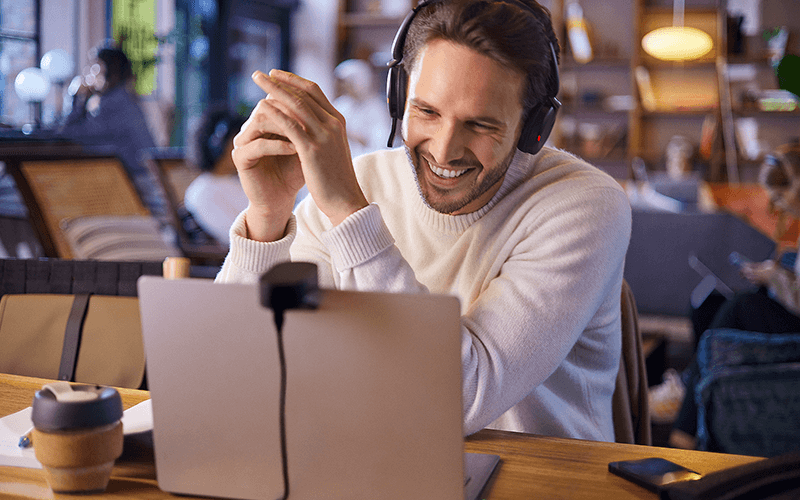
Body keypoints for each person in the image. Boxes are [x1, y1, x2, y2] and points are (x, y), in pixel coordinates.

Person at [217, 0, 631, 440]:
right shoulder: (362, 181)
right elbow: (239, 367)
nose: (444, 149)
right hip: (377, 463)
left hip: (538, 479)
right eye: (426, 111)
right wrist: (267, 217)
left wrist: (351, 216)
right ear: (398, 96)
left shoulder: (584, 205)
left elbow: (454, 400)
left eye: (480, 125)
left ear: (534, 128)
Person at [658, 141, 800, 449]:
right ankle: (693, 392)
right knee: (708, 306)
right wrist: (774, 273)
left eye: (781, 197)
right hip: (787, 308)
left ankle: (683, 428)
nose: (780, 206)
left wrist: (773, 276)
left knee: (737, 308)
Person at [58, 45, 165, 220]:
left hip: (141, 189)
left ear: (109, 71)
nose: (88, 73)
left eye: (94, 67)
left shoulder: (115, 105)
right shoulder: (121, 100)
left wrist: (75, 98)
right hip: (138, 182)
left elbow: (69, 134)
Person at [332, 59, 392, 157]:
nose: (344, 87)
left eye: (348, 82)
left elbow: (380, 144)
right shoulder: (341, 104)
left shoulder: (376, 109)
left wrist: (349, 134)